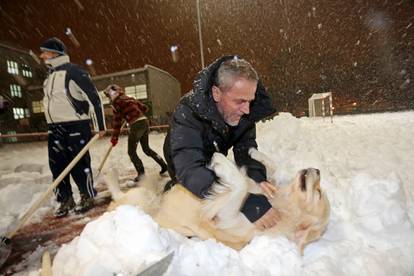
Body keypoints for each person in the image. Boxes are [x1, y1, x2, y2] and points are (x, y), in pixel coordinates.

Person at [163, 55, 280, 230]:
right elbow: (190, 168)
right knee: (197, 200)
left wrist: (257, 176)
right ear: (216, 93)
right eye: (240, 101)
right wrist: (244, 201)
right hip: (182, 158)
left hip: (214, 153)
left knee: (227, 185)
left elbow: (245, 148)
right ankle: (173, 187)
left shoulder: (243, 112)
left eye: (250, 100)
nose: (247, 109)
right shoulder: (188, 112)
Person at [39, 37, 106, 218]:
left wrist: (100, 125)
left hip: (75, 126)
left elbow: (94, 99)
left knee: (79, 165)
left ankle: (86, 195)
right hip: (54, 128)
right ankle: (65, 199)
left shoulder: (74, 72)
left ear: (54, 53)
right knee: (57, 167)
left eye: (44, 52)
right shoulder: (49, 77)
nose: (41, 55)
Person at [104, 84, 167, 182]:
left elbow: (117, 123)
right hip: (144, 122)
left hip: (136, 125)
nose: (108, 98)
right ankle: (164, 165)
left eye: (108, 95)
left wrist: (114, 138)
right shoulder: (129, 98)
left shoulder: (116, 104)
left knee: (131, 152)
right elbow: (145, 108)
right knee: (146, 149)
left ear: (111, 94)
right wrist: (132, 110)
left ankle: (141, 174)